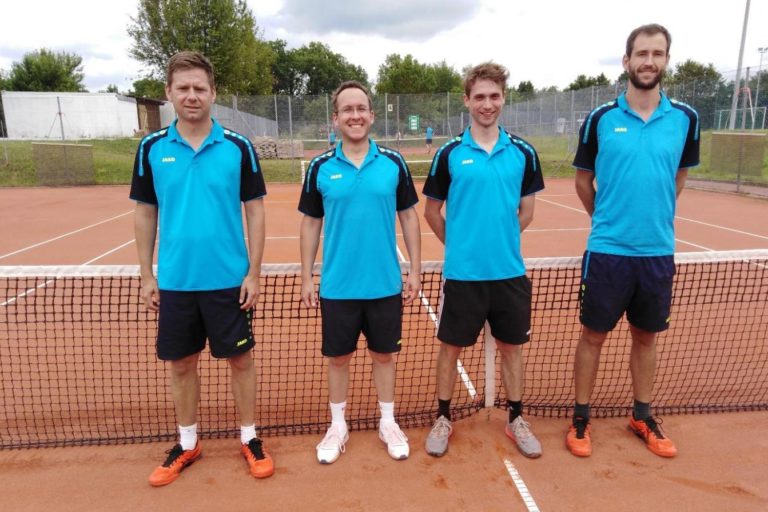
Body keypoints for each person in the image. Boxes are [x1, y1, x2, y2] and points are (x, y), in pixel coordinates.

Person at [130, 51, 274, 486]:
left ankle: (249, 438)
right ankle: (188, 442)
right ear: (169, 93)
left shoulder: (238, 147)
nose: (191, 95)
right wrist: (147, 275)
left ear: (213, 93)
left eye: (199, 88)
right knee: (180, 365)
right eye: (183, 88)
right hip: (176, 282)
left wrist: (253, 273)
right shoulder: (152, 148)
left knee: (241, 361)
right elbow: (145, 212)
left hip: (229, 281)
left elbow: (255, 210)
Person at [567, 24, 699, 458]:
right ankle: (580, 418)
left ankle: (642, 415)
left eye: (657, 54)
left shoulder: (685, 119)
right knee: (593, 335)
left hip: (657, 252)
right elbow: (583, 181)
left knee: (646, 337)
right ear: (626, 61)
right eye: (641, 53)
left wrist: (652, 219)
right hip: (608, 252)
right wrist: (607, 220)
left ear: (666, 60)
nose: (649, 61)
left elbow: (678, 177)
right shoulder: (601, 119)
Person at [422, 63, 544, 459]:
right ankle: (443, 418)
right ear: (467, 101)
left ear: (503, 98)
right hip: (463, 275)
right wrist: (461, 246)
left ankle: (516, 419)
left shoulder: (523, 152)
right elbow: (431, 212)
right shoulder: (449, 153)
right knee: (450, 348)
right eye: (479, 97)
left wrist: (500, 242)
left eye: (493, 96)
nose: (487, 104)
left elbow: (527, 212)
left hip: (509, 273)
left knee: (512, 348)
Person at [299, 81, 421, 464]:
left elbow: (409, 217)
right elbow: (310, 223)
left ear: (371, 115)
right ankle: (338, 425)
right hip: (338, 287)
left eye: (361, 108)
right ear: (335, 118)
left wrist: (415, 269)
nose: (355, 115)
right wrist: (307, 276)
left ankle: (388, 422)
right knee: (338, 359)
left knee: (384, 356)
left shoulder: (393, 163)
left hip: (384, 284)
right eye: (347, 110)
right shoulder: (320, 167)